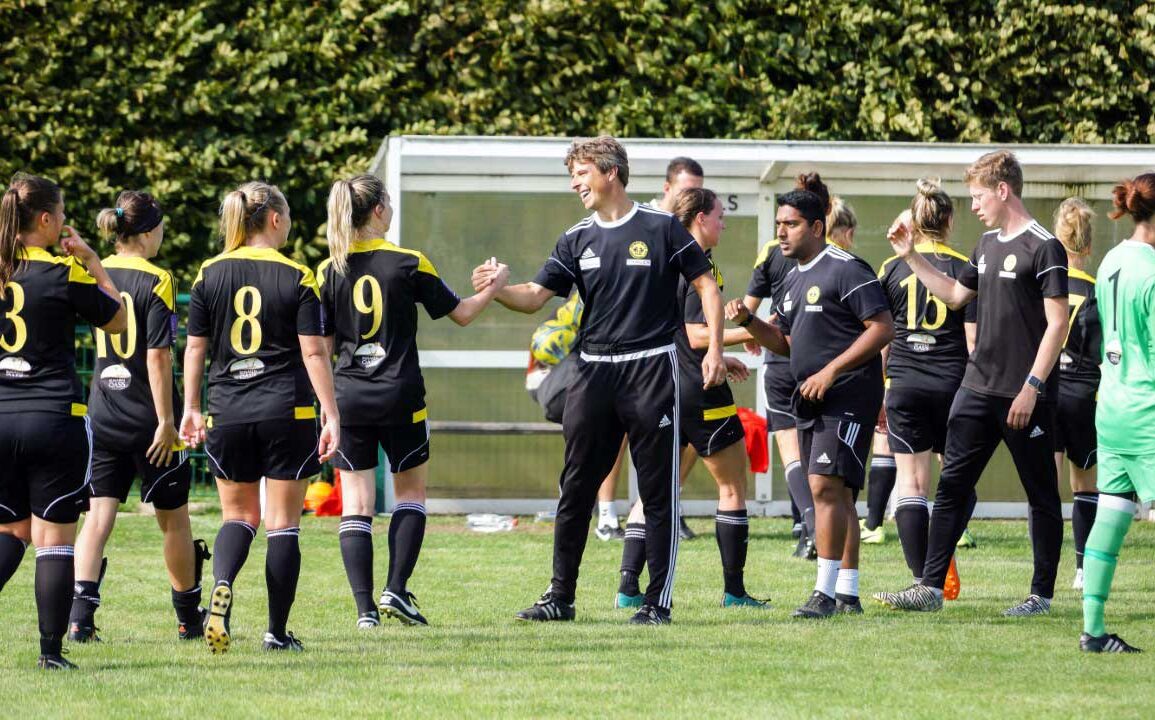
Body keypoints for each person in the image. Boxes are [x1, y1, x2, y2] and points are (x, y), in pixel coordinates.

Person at [477, 136, 726, 625]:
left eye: (582, 172)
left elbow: (706, 285)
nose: (575, 183)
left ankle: (658, 602)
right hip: (591, 374)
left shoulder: (662, 229)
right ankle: (559, 597)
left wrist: (715, 348)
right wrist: (498, 289)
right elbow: (534, 296)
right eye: (572, 174)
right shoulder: (575, 238)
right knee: (575, 488)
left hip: (653, 369)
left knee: (656, 493)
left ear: (611, 172)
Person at [879, 150, 1068, 616]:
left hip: (1023, 395)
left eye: (979, 196)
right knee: (951, 488)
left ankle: (1040, 596)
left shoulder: (1045, 247)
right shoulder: (984, 246)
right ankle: (929, 588)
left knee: (1041, 494)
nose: (975, 205)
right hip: (976, 389)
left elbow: (1057, 324)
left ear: (1003, 191)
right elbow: (955, 294)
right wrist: (912, 258)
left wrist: (1031, 386)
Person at [319, 174, 508, 628]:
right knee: (411, 494)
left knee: (356, 504)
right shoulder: (407, 262)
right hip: (400, 395)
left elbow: (322, 349)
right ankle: (396, 589)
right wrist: (495, 286)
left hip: (348, 397)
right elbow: (462, 313)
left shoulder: (329, 269)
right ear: (380, 210)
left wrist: (327, 409)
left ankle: (366, 611)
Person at [180, 181, 340, 653]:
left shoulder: (208, 273)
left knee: (239, 516)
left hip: (227, 409)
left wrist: (191, 408)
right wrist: (332, 413)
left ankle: (222, 584)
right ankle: (276, 632)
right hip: (285, 410)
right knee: (283, 523)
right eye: (288, 217)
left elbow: (194, 348)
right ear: (274, 219)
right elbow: (313, 352)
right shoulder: (298, 276)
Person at [728, 180, 894, 618]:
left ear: (817, 227)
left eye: (792, 224)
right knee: (836, 495)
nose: (781, 232)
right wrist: (748, 320)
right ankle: (848, 593)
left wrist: (831, 370)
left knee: (823, 486)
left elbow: (882, 328)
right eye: (779, 224)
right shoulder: (789, 278)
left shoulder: (847, 268)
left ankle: (823, 594)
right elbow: (783, 342)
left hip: (848, 392)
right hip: (809, 395)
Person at [68, 191, 210, 644]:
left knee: (98, 515)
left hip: (103, 412)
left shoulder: (93, 269)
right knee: (173, 519)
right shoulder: (158, 278)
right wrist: (167, 420)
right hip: (149, 420)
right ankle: (188, 616)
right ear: (149, 232)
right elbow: (157, 356)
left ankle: (79, 618)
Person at [615, 188, 764, 610]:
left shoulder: (659, 258)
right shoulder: (694, 263)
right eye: (719, 216)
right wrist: (747, 333)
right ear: (700, 218)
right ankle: (735, 592)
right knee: (733, 486)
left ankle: (627, 588)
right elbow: (695, 332)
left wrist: (724, 352)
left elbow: (677, 331)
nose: (723, 223)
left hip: (660, 386)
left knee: (659, 487)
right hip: (699, 388)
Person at [0, 173, 126, 669]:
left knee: (11, 532)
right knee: (54, 540)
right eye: (62, 213)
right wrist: (92, 260)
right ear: (47, 219)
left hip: (2, 417)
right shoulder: (62, 271)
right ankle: (51, 653)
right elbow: (117, 319)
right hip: (54, 417)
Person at [870, 182, 975, 602]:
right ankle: (937, 567)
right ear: (949, 221)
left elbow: (882, 338)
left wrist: (879, 391)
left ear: (913, 220)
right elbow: (974, 341)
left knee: (911, 486)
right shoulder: (966, 267)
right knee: (958, 484)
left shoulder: (890, 267)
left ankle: (923, 582)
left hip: (905, 383)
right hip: (954, 386)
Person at [1078, 172, 1155, 653]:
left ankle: (1094, 630)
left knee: (1111, 513)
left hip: (1112, 408)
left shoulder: (1110, 261)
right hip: (1148, 411)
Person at [742, 173, 835, 561]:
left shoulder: (770, 251)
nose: (784, 231)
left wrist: (753, 330)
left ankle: (809, 528)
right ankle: (820, 529)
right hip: (819, 359)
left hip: (780, 359)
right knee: (820, 453)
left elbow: (747, 308)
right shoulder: (833, 255)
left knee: (793, 453)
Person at [525, 292, 628, 541]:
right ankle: (605, 516)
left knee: (611, 423)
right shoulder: (590, 296)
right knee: (617, 412)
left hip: (565, 383)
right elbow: (544, 345)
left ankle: (581, 487)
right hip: (555, 384)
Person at [1050, 198, 1100, 590]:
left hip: (1047, 390)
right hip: (1083, 393)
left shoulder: (1043, 284)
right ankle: (1082, 569)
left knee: (1045, 487)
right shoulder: (1097, 289)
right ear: (1087, 245)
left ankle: (1043, 569)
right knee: (1084, 482)